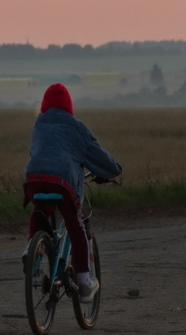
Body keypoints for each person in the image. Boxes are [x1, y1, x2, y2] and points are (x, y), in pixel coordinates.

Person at [24, 83, 122, 303]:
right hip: (62, 184)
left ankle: (32, 251)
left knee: (40, 209)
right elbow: (98, 156)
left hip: (34, 181)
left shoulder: (38, 124)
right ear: (69, 106)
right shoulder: (76, 128)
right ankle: (85, 283)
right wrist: (114, 170)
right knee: (74, 224)